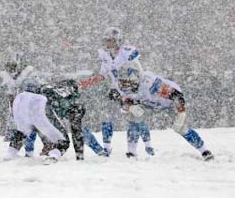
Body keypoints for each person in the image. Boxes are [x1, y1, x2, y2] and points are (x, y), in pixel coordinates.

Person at [116, 61, 214, 161]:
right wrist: (130, 108)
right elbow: (123, 105)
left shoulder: (149, 83)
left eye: (129, 81)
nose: (126, 84)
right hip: (149, 104)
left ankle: (204, 151)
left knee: (180, 128)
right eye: (123, 81)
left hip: (169, 103)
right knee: (134, 116)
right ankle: (131, 153)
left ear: (137, 77)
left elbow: (176, 95)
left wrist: (181, 114)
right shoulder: (124, 88)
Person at [79, 27, 153, 156]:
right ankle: (107, 147)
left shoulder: (128, 52)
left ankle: (147, 146)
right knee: (106, 116)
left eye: (110, 40)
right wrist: (87, 82)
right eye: (106, 40)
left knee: (136, 116)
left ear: (118, 40)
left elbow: (138, 71)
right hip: (115, 89)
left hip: (131, 88)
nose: (107, 43)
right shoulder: (103, 53)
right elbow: (103, 74)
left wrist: (136, 89)